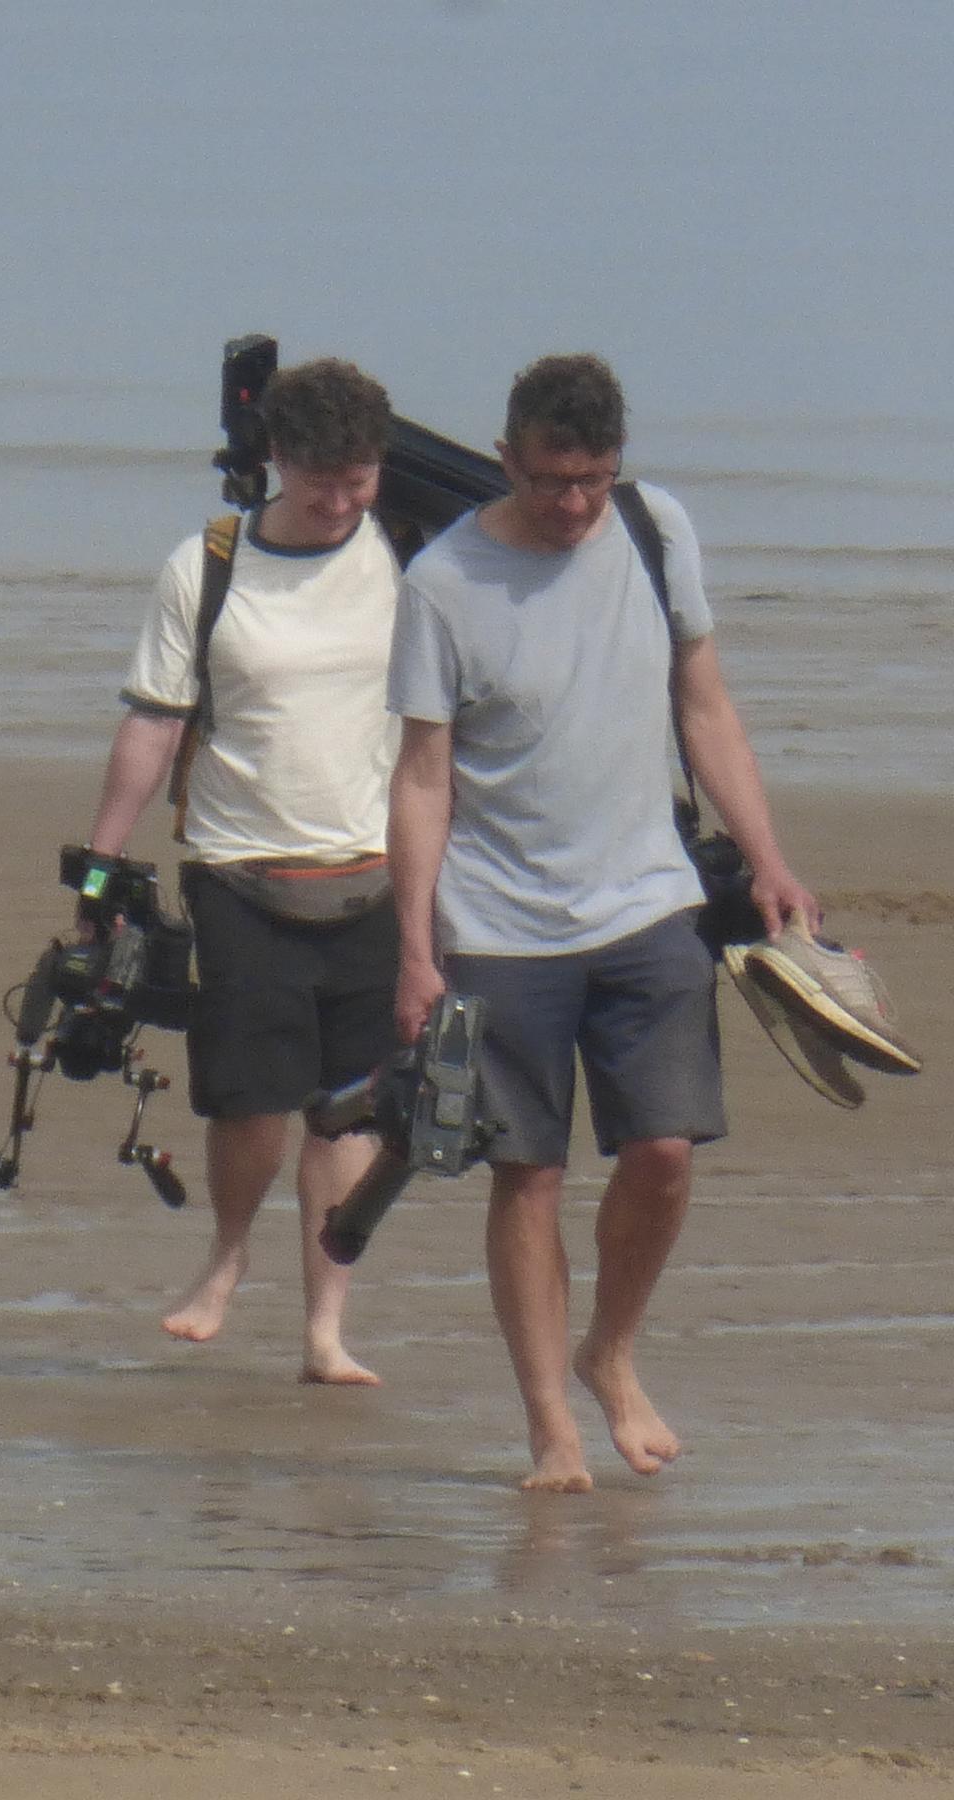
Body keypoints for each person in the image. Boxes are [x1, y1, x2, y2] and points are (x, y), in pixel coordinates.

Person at [386, 352, 819, 1492]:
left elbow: (704, 702)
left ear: (616, 466)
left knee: (665, 1154)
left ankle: (610, 1354)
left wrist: (769, 858)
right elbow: (422, 778)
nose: (572, 503)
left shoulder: (655, 528)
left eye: (591, 478)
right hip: (499, 921)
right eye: (548, 481)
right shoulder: (441, 583)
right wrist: (416, 951)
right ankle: (550, 1430)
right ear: (506, 458)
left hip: (648, 902)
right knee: (526, 1175)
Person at [83, 357, 402, 1385]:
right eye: (322, 483)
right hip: (239, 868)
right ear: (276, 461)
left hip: (372, 870)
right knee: (250, 1098)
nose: (342, 503)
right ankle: (226, 1257)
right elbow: (153, 720)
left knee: (349, 1106)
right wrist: (102, 858)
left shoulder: (409, 558)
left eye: (360, 481)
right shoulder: (209, 564)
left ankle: (325, 1329)